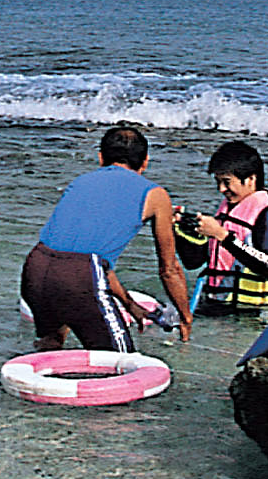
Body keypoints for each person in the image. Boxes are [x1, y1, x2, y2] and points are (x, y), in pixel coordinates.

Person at [20, 122, 197, 351]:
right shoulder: (155, 195)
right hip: (82, 276)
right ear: (145, 162)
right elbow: (169, 268)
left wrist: (129, 303)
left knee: (50, 346)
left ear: (100, 158)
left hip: (36, 267)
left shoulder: (80, 182)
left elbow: (90, 259)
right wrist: (185, 316)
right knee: (121, 362)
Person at [177, 138, 268, 318]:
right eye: (217, 182)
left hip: (256, 313)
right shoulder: (229, 210)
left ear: (250, 179)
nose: (221, 189)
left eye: (226, 182)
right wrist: (177, 229)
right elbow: (193, 262)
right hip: (218, 307)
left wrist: (221, 235)